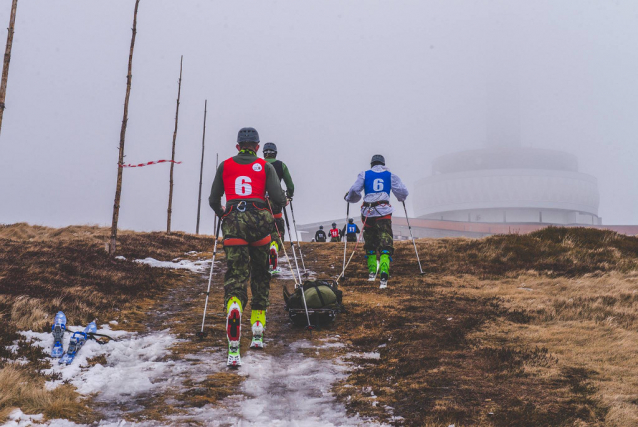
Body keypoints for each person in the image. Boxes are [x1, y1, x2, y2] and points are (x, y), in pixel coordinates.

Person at [209, 127, 287, 367]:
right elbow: (279, 198)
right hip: (260, 224)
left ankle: (234, 308)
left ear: (237, 146)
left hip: (233, 223)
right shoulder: (266, 166)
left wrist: (224, 213)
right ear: (256, 146)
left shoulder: (225, 166)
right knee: (261, 276)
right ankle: (258, 331)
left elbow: (214, 200)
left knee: (236, 275)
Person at [344, 154, 408, 288]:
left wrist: (350, 198)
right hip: (383, 213)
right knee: (386, 242)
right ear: (383, 163)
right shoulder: (390, 175)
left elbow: (355, 190)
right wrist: (401, 198)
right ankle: (384, 272)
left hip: (368, 213)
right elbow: (402, 192)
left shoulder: (364, 174)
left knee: (370, 242)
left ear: (371, 164)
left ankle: (372, 272)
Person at [262, 142, 295, 275]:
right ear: (275, 152)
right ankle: (274, 246)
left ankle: (261, 260)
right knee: (277, 227)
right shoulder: (281, 165)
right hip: (276, 201)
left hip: (260, 202)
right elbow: (290, 185)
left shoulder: (259, 164)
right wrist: (288, 196)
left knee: (262, 229)